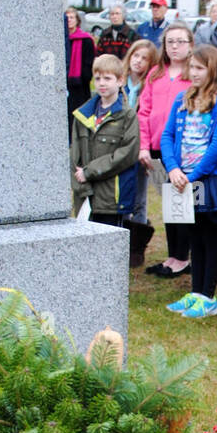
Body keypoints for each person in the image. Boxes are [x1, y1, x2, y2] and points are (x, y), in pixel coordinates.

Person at [160, 45, 217, 319]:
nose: (193, 72)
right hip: (181, 178)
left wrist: (192, 177)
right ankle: (195, 293)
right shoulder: (182, 98)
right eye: (191, 67)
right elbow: (167, 136)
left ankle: (208, 297)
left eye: (199, 68)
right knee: (192, 232)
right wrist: (173, 169)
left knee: (208, 233)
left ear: (213, 70)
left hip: (207, 180)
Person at [137, 22, 194, 277]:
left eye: (180, 41)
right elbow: (144, 112)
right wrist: (143, 146)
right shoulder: (155, 74)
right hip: (158, 149)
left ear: (190, 44)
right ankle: (173, 255)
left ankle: (184, 256)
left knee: (184, 204)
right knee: (169, 204)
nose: (174, 46)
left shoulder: (194, 75)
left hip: (185, 151)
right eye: (170, 41)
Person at [70, 54, 140, 227]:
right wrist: (81, 186)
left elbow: (127, 153)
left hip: (112, 197)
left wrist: (90, 171)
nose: (101, 83)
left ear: (120, 80)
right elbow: (74, 155)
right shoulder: (82, 115)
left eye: (107, 78)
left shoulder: (127, 115)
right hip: (86, 195)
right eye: (98, 78)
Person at [121, 38, 160, 265]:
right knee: (123, 195)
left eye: (144, 58)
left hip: (141, 148)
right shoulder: (119, 82)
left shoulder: (149, 86)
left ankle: (137, 245)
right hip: (120, 149)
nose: (138, 61)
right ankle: (122, 237)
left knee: (140, 197)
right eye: (136, 55)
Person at [65, 6, 95, 140]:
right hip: (65, 84)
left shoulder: (86, 39)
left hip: (79, 84)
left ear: (77, 20)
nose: (69, 20)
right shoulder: (60, 39)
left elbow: (89, 62)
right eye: (67, 17)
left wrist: (82, 77)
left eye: (72, 17)